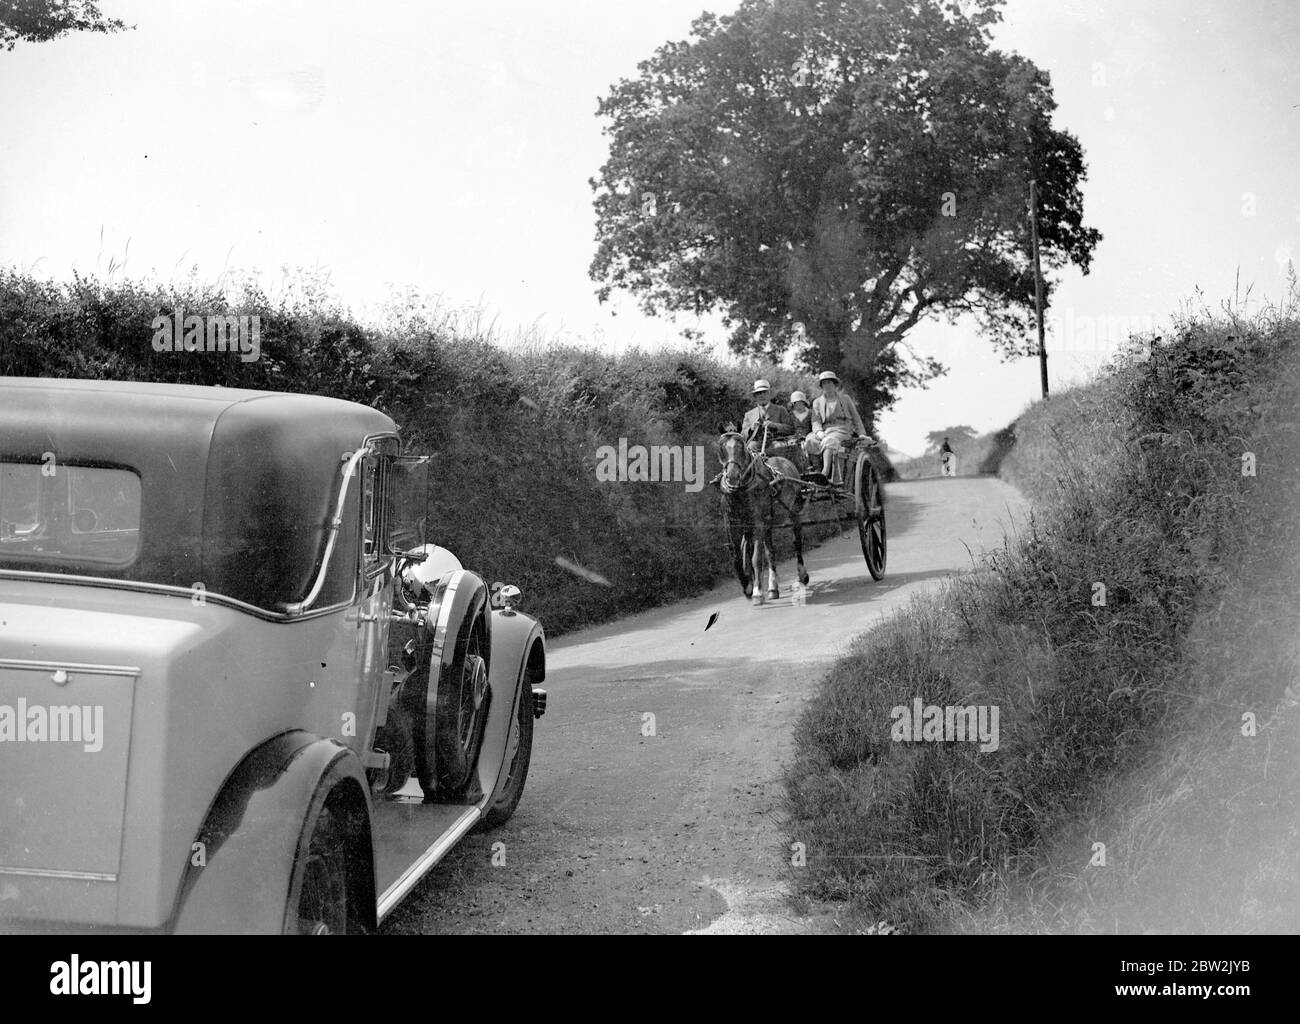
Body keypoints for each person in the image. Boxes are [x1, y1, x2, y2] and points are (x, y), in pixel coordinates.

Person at [807, 371, 867, 482]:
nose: (827, 386)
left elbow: (856, 418)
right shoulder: (817, 402)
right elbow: (815, 421)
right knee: (809, 440)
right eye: (824, 383)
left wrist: (862, 434)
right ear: (821, 386)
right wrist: (819, 431)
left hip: (842, 429)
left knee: (830, 440)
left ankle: (825, 473)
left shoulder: (845, 399)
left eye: (829, 383)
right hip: (825, 429)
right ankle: (817, 470)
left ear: (835, 385)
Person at [740, 379, 795, 453]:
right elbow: (742, 435)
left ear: (769, 394)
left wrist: (774, 425)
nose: (762, 396)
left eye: (764, 392)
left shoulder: (781, 410)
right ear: (755, 396)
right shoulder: (749, 415)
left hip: (776, 444)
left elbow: (790, 429)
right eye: (759, 393)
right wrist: (751, 429)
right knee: (749, 447)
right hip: (756, 446)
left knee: (779, 447)